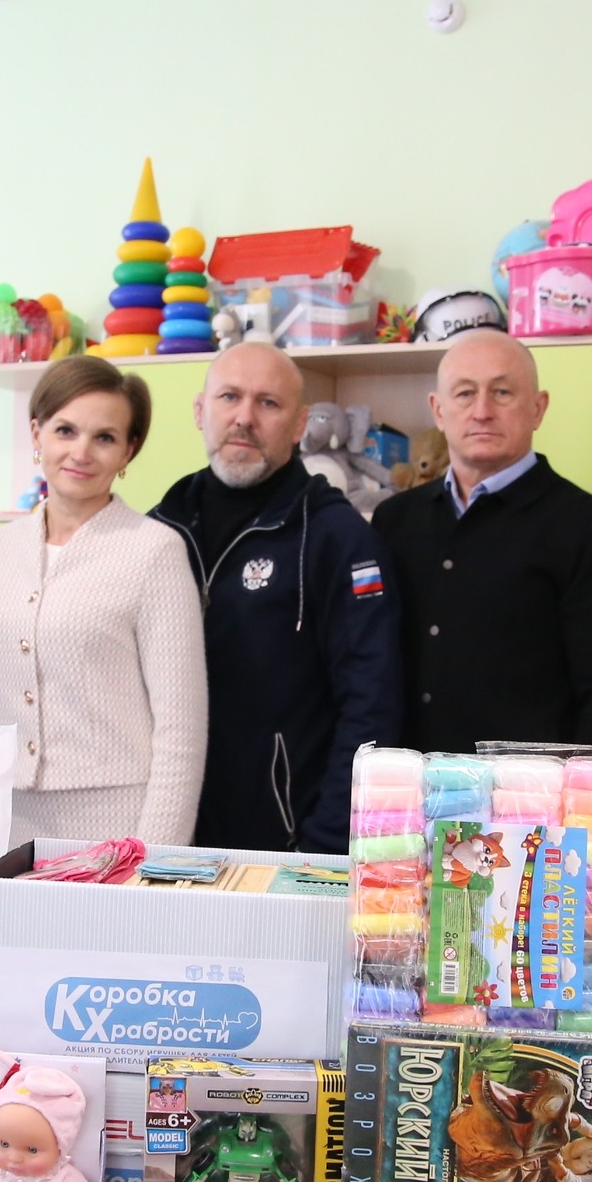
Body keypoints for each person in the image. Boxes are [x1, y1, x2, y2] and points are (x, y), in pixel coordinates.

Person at [149, 341, 403, 852]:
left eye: (268, 402)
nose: (244, 418)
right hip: (163, 833)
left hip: (286, 845)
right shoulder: (159, 530)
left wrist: (326, 842)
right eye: (229, 397)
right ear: (200, 411)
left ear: (299, 423)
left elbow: (372, 704)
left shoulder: (337, 538)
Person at [372, 329, 592, 751]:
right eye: (465, 394)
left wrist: (588, 790)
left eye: (502, 393)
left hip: (527, 789)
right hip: (409, 780)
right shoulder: (394, 521)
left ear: (538, 408)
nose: (482, 411)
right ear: (438, 410)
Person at [0, 356, 206, 843]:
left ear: (129, 451)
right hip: (7, 819)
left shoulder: (155, 551)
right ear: (37, 433)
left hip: (119, 826)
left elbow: (181, 728)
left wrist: (153, 857)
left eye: (104, 437)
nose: (81, 452)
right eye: (65, 430)